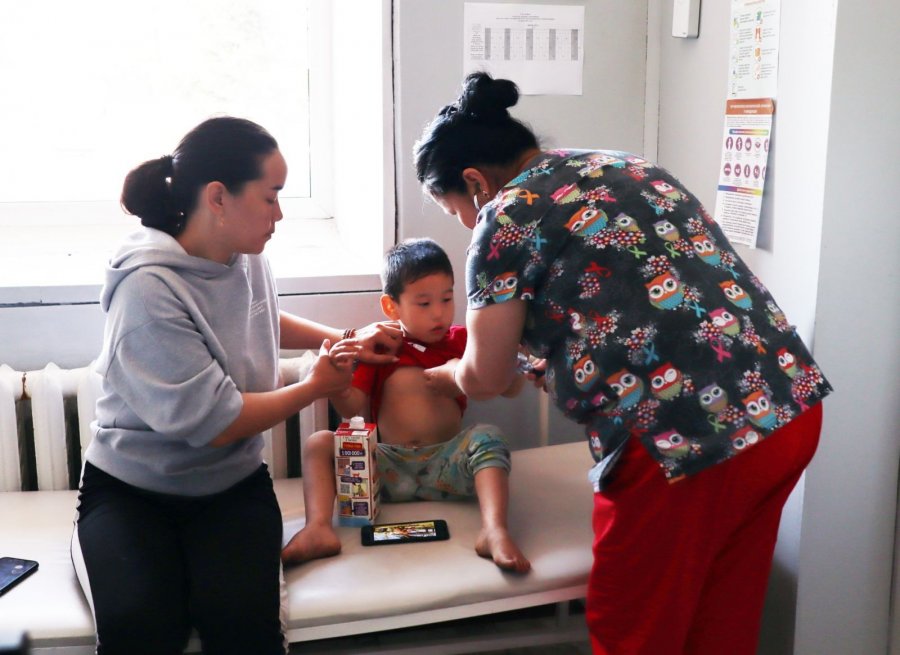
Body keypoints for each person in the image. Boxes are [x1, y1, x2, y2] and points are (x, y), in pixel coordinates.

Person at [414, 73, 832, 655]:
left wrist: (444, 374)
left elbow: (484, 377)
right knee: (722, 612)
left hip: (690, 435)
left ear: (474, 182)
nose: (463, 221)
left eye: (454, 209)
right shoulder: (626, 165)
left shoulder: (505, 214)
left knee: (630, 627)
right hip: (786, 403)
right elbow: (634, 307)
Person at [70, 116, 402, 655]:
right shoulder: (147, 291)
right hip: (133, 494)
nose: (279, 213)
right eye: (271, 196)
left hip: (232, 487)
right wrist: (314, 386)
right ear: (218, 197)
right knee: (141, 629)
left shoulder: (247, 256)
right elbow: (218, 422)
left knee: (243, 631)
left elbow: (261, 317)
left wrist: (348, 338)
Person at [281, 237, 530, 573]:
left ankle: (494, 530)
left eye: (447, 298)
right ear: (391, 307)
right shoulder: (382, 346)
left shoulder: (462, 341)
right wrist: (337, 382)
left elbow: (509, 387)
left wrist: (514, 358)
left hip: (447, 463)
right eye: (424, 303)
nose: (439, 312)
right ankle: (318, 528)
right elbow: (353, 410)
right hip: (386, 468)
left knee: (488, 436)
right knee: (319, 443)